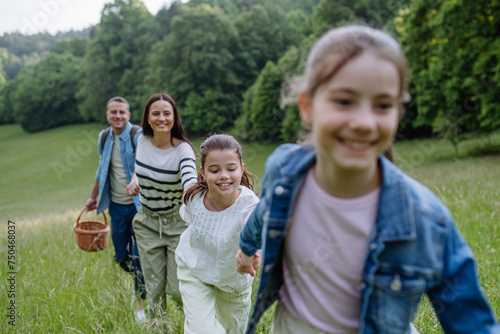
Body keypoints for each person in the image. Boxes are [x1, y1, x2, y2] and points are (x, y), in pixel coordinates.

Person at [235, 25, 500, 334]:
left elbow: (472, 321)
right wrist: (246, 247)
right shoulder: (284, 169)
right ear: (307, 107)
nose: (363, 122)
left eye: (383, 105)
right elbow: (264, 211)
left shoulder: (425, 219)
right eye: (344, 101)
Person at [175, 134, 260, 334]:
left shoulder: (249, 206)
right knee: (201, 330)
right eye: (214, 170)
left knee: (235, 330)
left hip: (233, 280)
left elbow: (258, 233)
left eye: (231, 168)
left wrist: (255, 255)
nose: (223, 175)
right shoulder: (194, 197)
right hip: (195, 269)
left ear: (242, 169)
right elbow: (186, 174)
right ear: (203, 173)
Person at [126, 92, 197, 321]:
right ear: (147, 118)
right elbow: (141, 165)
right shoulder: (141, 140)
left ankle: (197, 326)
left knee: (178, 290)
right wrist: (135, 179)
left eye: (167, 113)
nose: (161, 118)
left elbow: (190, 180)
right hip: (146, 223)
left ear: (174, 117)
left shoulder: (183, 150)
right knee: (154, 291)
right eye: (155, 113)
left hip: (177, 225)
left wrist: (193, 192)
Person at [85, 96, 146, 322]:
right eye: (113, 112)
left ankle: (140, 302)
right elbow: (101, 169)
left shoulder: (137, 134)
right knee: (121, 256)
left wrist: (135, 178)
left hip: (139, 206)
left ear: (128, 115)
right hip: (117, 207)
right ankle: (142, 280)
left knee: (139, 257)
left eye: (122, 112)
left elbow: (142, 162)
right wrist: (93, 197)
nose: (118, 116)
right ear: (108, 114)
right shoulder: (104, 137)